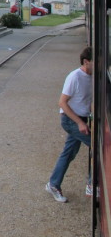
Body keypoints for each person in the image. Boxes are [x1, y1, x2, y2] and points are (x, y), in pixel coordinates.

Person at [46, 46, 93, 203]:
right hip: (70, 119)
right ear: (86, 61)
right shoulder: (74, 77)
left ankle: (53, 184)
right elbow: (62, 103)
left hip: (82, 118)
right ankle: (92, 184)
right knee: (99, 147)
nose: (99, 66)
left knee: (69, 153)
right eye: (96, 62)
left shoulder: (93, 76)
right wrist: (80, 123)